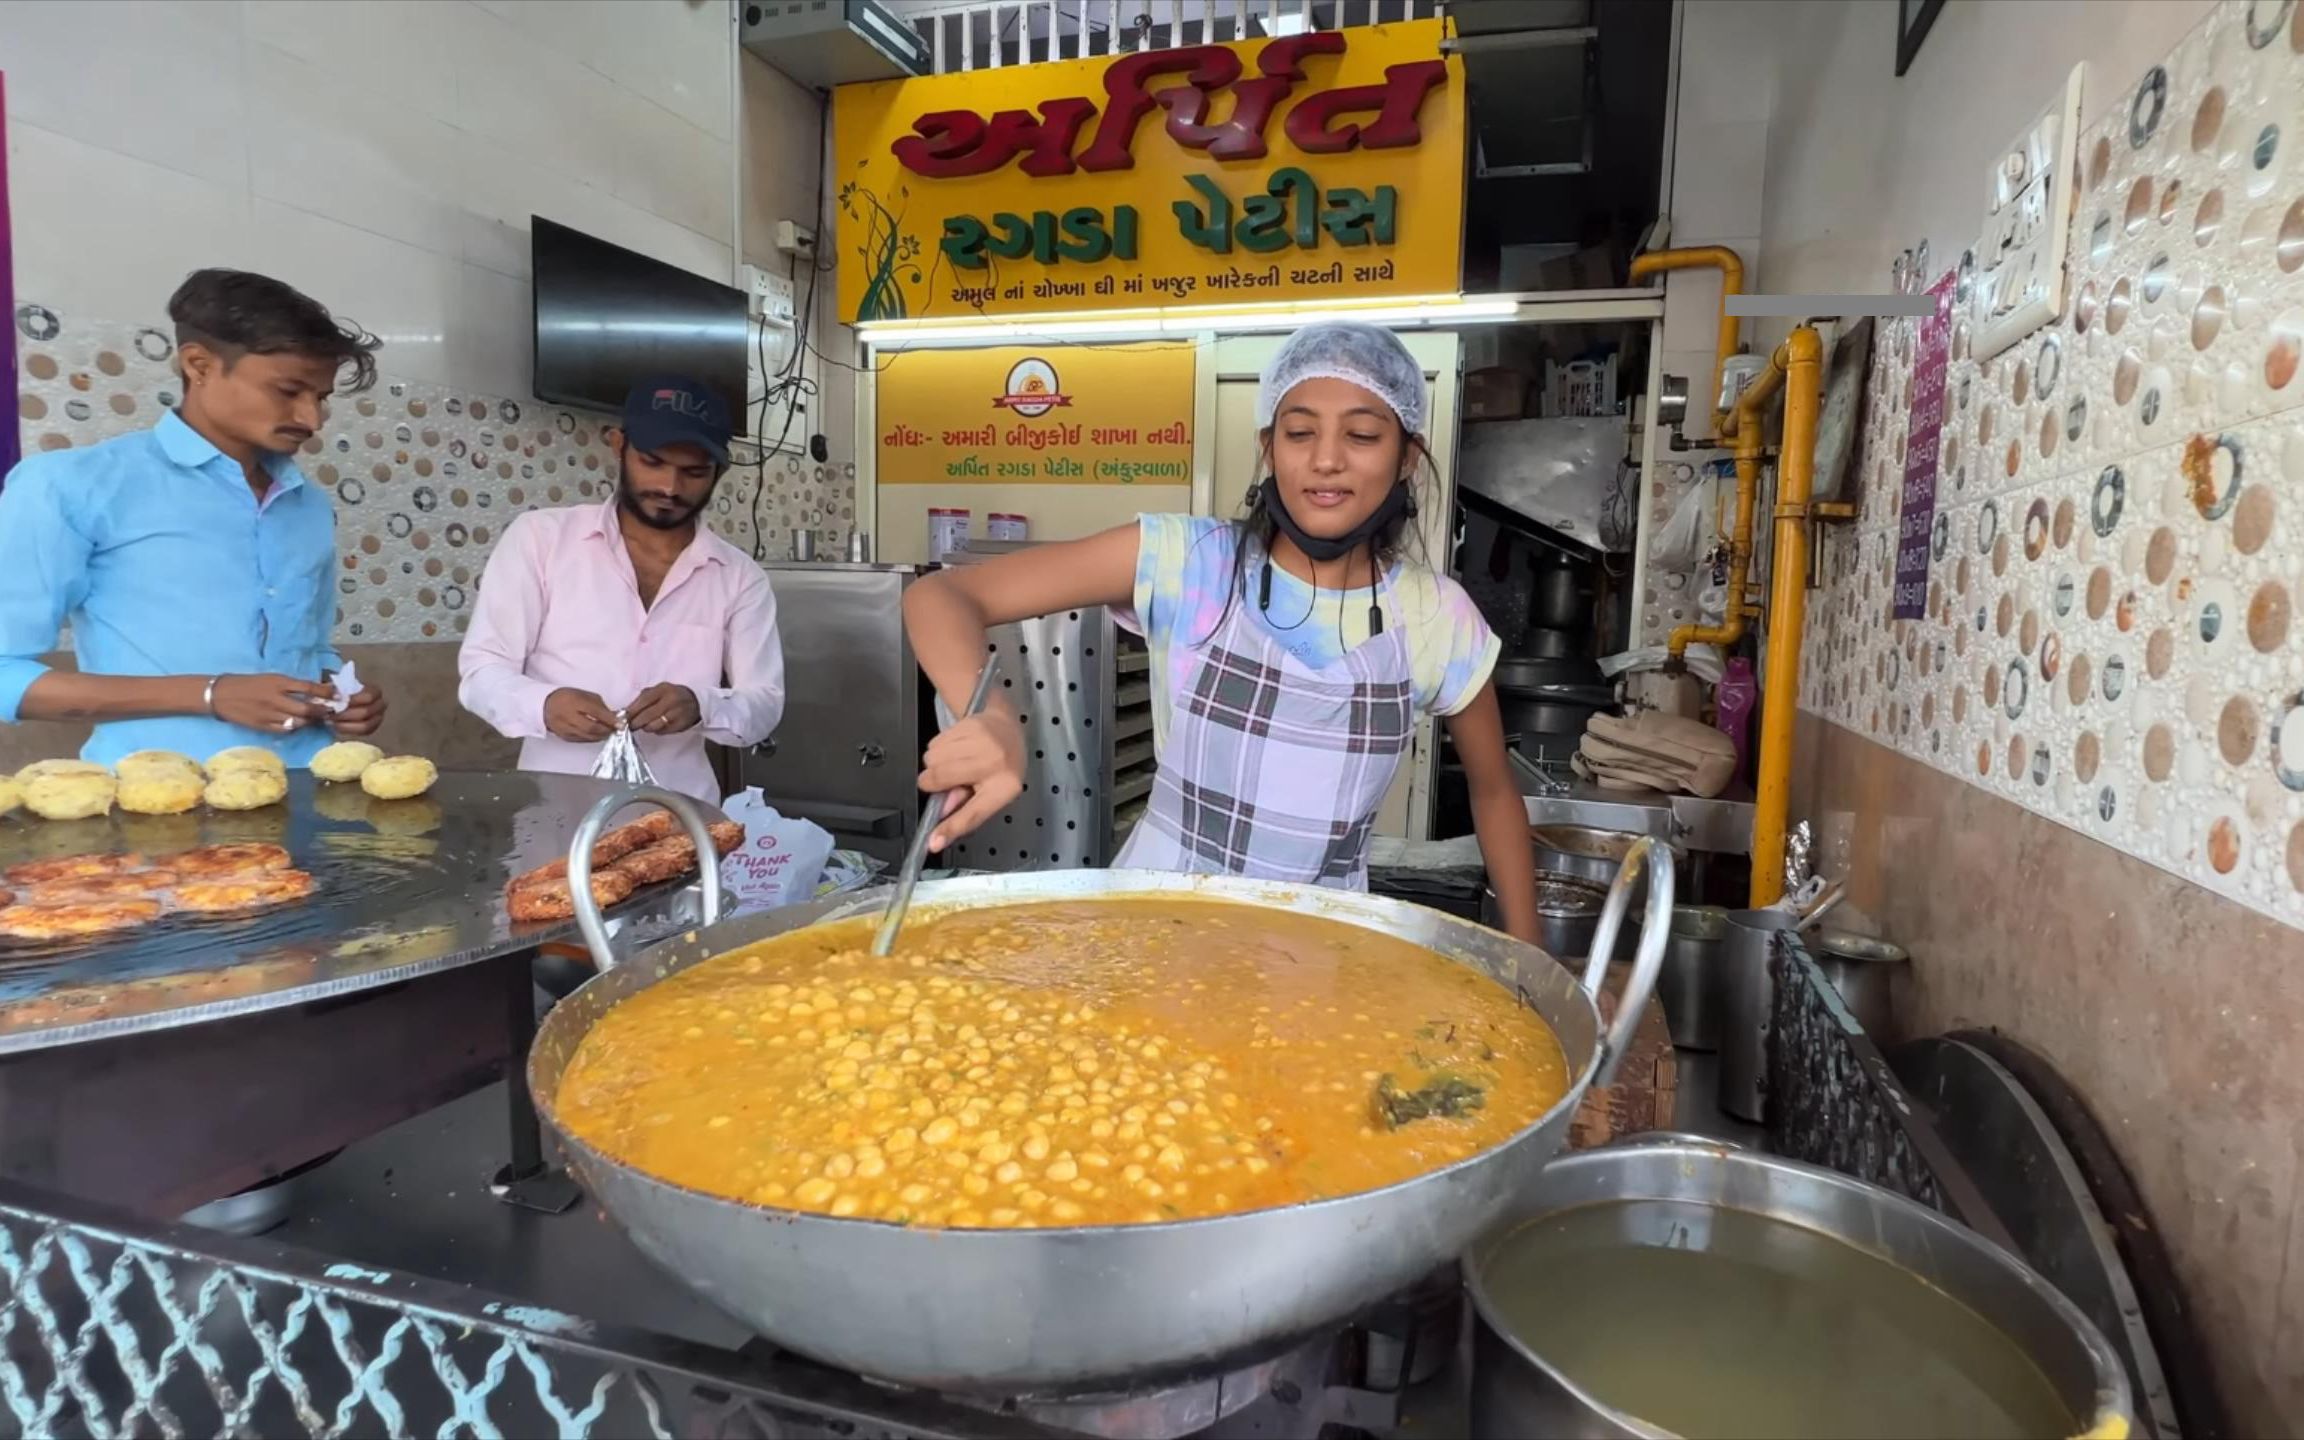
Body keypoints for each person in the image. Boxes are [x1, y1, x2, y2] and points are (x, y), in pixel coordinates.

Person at [903, 321, 1541, 943]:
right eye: (1299, 432)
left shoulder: (1436, 615)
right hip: (1155, 934)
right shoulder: (1191, 561)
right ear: (1269, 448)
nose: (1325, 459)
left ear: (1406, 457)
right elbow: (943, 594)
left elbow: (1492, 794)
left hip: (1324, 955)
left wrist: (1532, 965)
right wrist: (985, 712)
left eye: (1363, 435)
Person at [0, 269, 389, 764]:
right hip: (159, 808)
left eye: (321, 398)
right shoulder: (71, 485)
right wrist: (210, 693)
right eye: (289, 391)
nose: (311, 420)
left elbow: (308, 648)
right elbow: (5, 675)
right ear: (199, 365)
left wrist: (339, 693)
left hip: (306, 790)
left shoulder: (306, 503)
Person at [457, 375, 784, 806]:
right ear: (618, 445)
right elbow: (482, 671)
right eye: (653, 462)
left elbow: (764, 702)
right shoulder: (541, 539)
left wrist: (701, 704)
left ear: (719, 470)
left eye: (693, 472)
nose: (670, 487)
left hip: (680, 818)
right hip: (555, 816)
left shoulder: (739, 576)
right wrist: (544, 704)